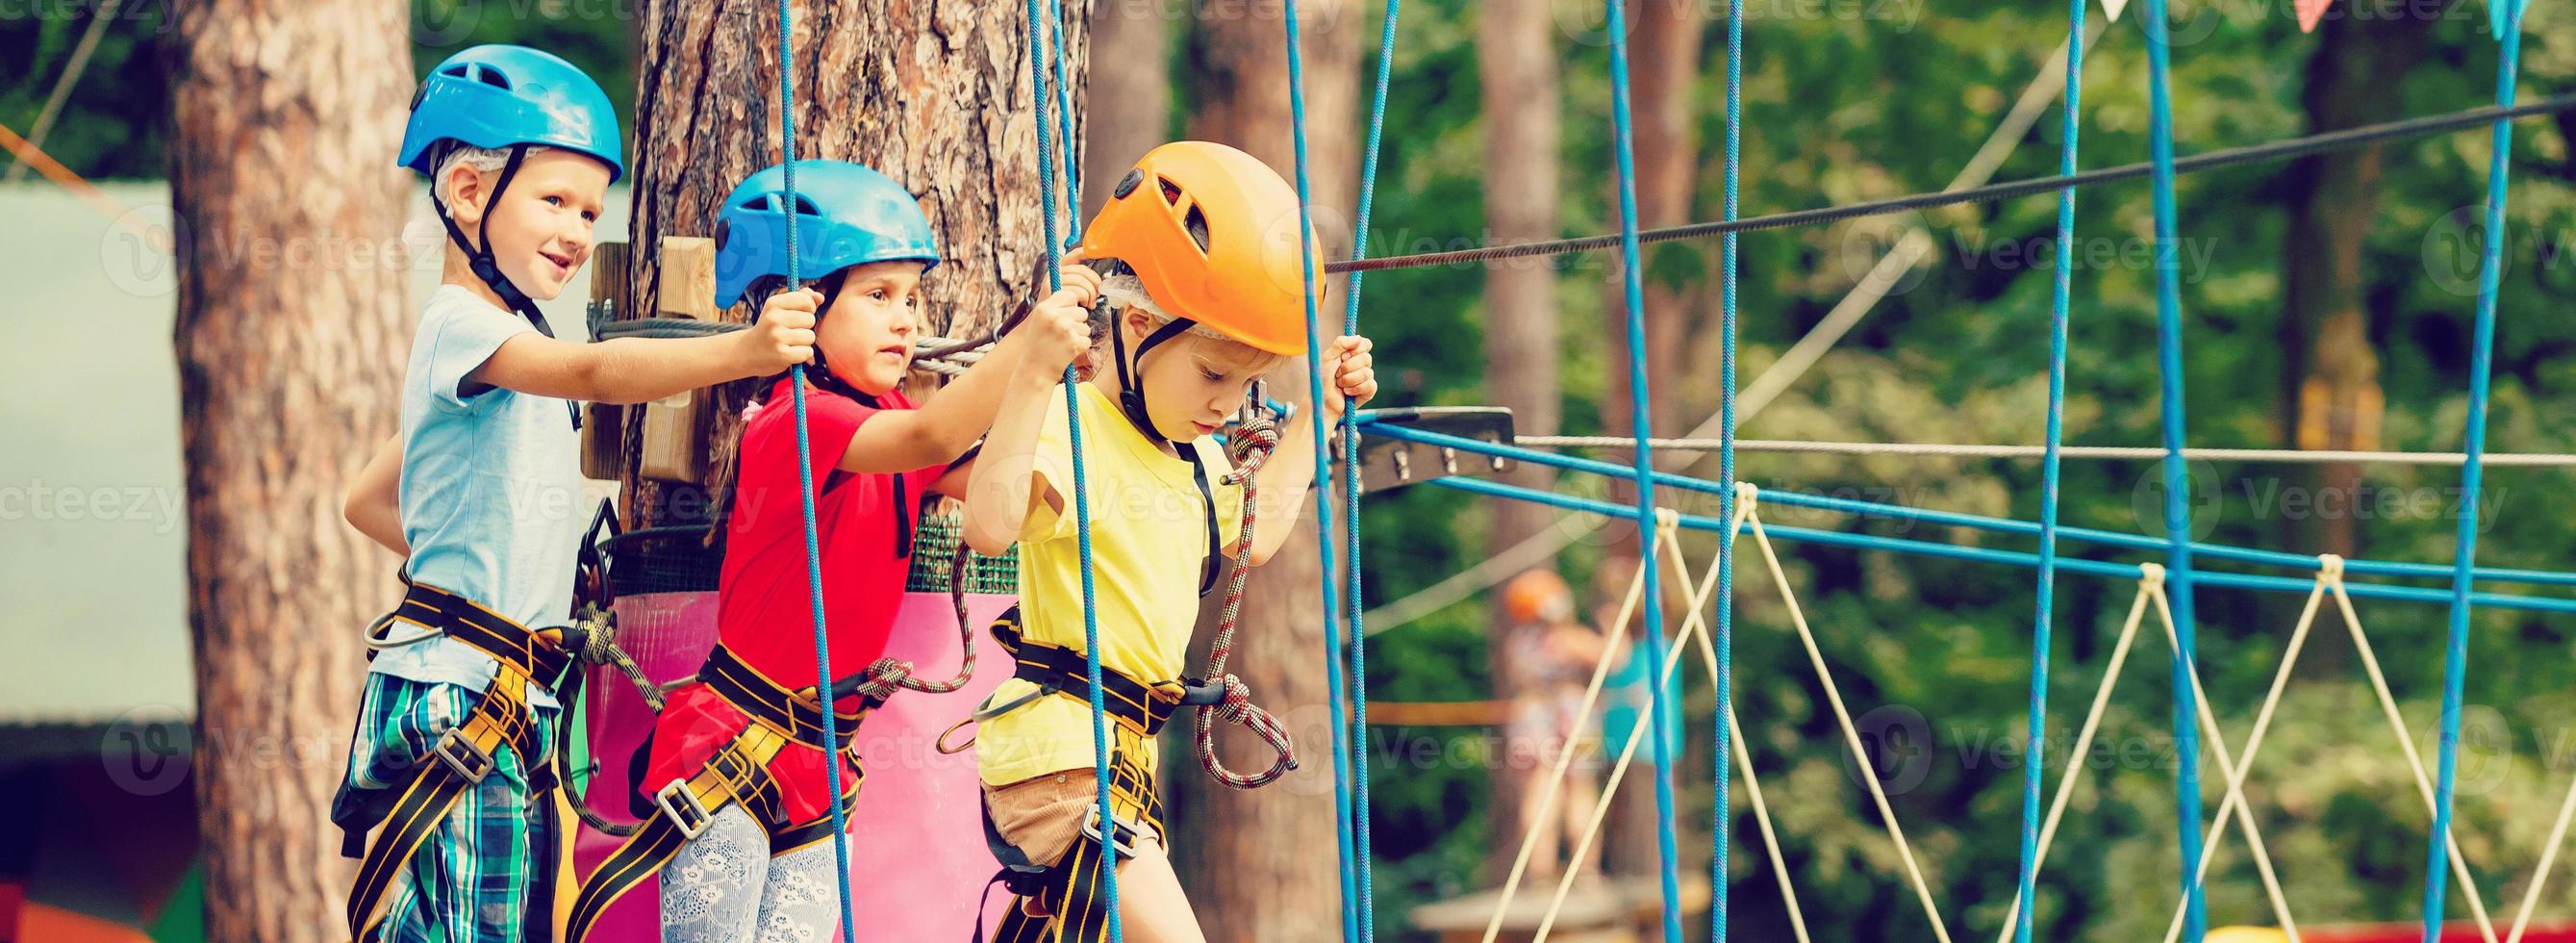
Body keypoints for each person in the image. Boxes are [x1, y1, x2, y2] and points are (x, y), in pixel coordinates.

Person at [333, 45, 818, 943]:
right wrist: (745, 350)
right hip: (462, 688)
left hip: (493, 684)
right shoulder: (463, 328)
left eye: (591, 210)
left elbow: (367, 498)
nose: (576, 228)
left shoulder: (494, 354)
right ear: (471, 195)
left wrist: (498, 571)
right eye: (553, 200)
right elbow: (596, 368)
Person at [563, 160, 1098, 942]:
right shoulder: (796, 421)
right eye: (877, 296)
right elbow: (931, 435)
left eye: (912, 297)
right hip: (728, 741)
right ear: (805, 308)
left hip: (822, 760)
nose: (906, 320)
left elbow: (992, 516)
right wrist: (1025, 346)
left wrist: (1042, 379)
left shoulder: (882, 413)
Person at [959, 140, 1378, 942]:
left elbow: (1251, 538)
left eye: (1246, 384)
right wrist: (1032, 378)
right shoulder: (1072, 424)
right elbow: (988, 524)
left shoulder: (1194, 455)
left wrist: (1319, 411)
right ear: (1141, 326)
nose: (1228, 403)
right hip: (1060, 758)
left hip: (1121, 765)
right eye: (1213, 375)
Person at [1500, 568, 1611, 882]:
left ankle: (1539, 872)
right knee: (1580, 791)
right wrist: (1612, 625)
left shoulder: (1518, 643)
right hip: (1574, 714)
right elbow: (1615, 657)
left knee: (1539, 793)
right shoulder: (1566, 639)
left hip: (1532, 716)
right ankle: (1585, 869)